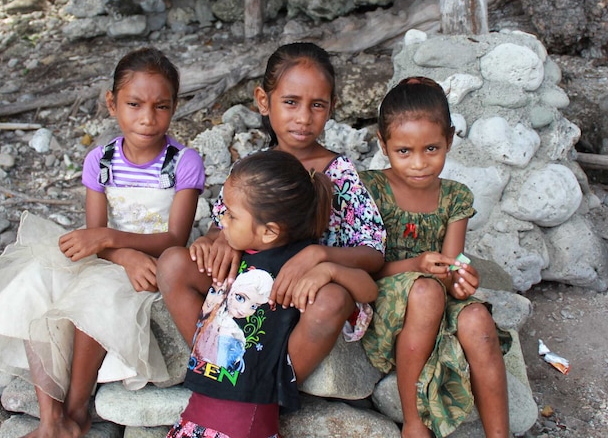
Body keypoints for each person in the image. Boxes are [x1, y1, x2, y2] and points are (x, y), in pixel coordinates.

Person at [0, 47, 205, 438]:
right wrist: (119, 251)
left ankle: (77, 411)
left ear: (174, 107)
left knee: (95, 296)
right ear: (111, 103)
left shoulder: (183, 162)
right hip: (115, 257)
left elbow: (174, 238)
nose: (148, 119)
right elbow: (91, 237)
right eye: (134, 104)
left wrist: (113, 242)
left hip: (156, 262)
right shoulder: (99, 161)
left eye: (161, 107)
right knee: (34, 279)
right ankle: (51, 419)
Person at [157, 42, 386, 384]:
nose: (304, 118)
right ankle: (217, 369)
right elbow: (224, 224)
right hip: (249, 288)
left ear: (332, 107)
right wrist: (215, 240)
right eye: (291, 102)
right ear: (263, 101)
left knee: (334, 299)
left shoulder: (339, 173)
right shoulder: (251, 167)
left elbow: (373, 254)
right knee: (173, 263)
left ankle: (273, 385)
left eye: (317, 105)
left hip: (300, 294)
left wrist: (319, 255)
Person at [164, 150, 378, 438]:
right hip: (200, 410)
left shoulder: (299, 264)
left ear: (269, 232)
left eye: (231, 215)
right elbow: (185, 262)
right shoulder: (230, 255)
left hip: (247, 420)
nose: (222, 220)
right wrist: (208, 240)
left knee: (335, 297)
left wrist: (330, 270)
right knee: (171, 261)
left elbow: (367, 290)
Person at [359, 77, 512, 438]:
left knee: (477, 318)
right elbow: (365, 268)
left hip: (435, 292)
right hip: (385, 294)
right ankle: (413, 422)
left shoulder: (456, 197)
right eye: (404, 151)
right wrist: (416, 265)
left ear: (450, 140)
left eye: (431, 149)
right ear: (383, 144)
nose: (419, 164)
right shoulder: (370, 189)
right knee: (425, 292)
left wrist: (463, 279)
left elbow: (451, 266)